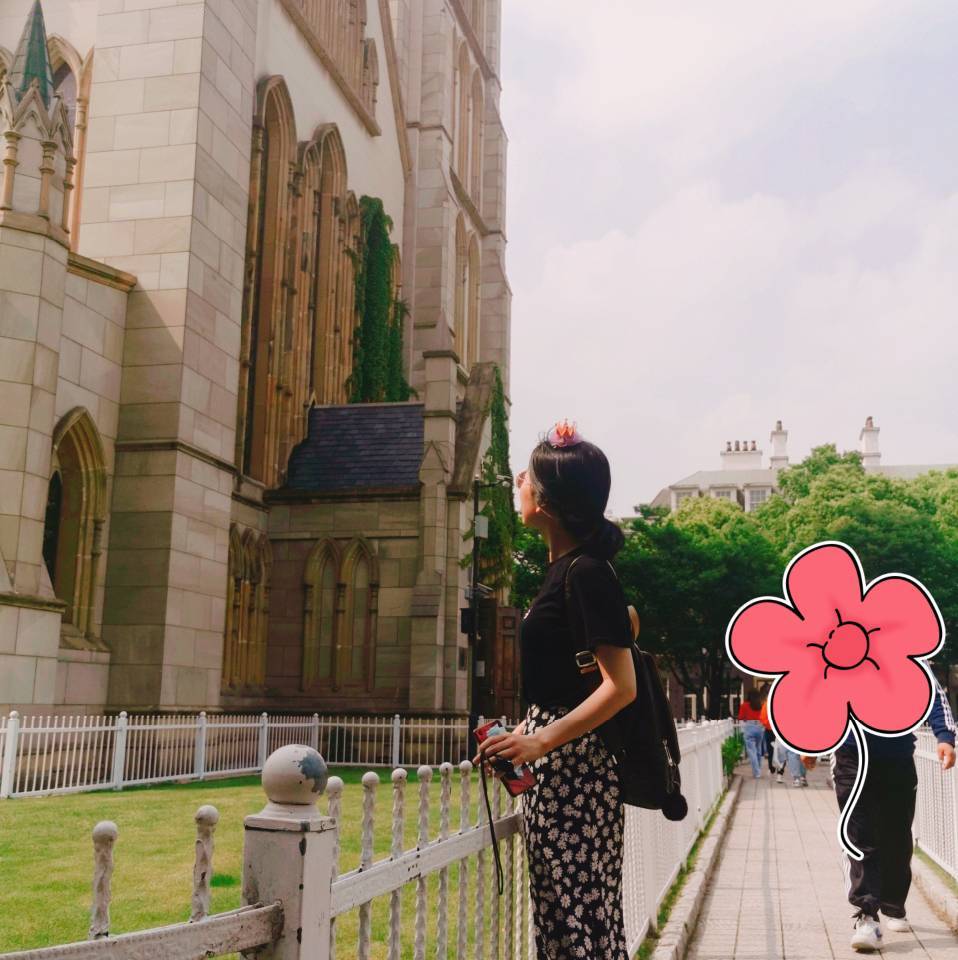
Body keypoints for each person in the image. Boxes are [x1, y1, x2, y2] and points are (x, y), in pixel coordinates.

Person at [473, 420, 636, 960]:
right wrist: (520, 735)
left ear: (546, 502)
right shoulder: (564, 571)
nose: (518, 481)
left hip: (576, 778)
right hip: (561, 768)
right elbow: (567, 685)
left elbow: (622, 686)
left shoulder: (587, 572)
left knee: (576, 919)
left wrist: (540, 740)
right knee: (566, 920)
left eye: (527, 475)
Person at [832, 677, 957, 952]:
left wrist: (945, 736)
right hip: (851, 754)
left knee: (897, 835)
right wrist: (807, 741)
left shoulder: (906, 655)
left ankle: (893, 905)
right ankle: (867, 916)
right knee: (858, 835)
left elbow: (932, 692)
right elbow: (818, 692)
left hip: (896, 756)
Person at [737, 687, 766, 778]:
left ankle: (757, 772)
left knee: (751, 751)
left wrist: (746, 717)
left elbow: (740, 717)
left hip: (749, 727)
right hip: (760, 727)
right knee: (758, 749)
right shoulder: (761, 705)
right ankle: (758, 770)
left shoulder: (744, 705)